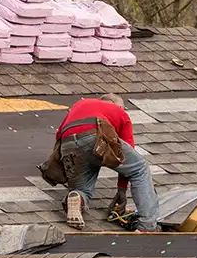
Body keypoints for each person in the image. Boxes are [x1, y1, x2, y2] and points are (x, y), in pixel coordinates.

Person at [55, 93, 160, 231]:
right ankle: (147, 226)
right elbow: (124, 156)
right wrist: (122, 190)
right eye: (122, 108)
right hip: (96, 134)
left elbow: (59, 135)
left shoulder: (81, 104)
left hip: (68, 142)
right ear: (115, 104)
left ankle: (76, 197)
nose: (123, 111)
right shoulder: (119, 113)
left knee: (82, 188)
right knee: (140, 168)